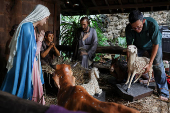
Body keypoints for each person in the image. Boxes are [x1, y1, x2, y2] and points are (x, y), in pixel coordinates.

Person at [0, 4, 50, 105]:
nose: (46, 21)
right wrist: (40, 41)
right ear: (41, 15)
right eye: (46, 18)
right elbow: (32, 52)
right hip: (28, 65)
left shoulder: (32, 28)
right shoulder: (27, 27)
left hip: (31, 63)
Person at [125, 10, 169, 101]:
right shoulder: (129, 28)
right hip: (139, 45)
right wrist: (129, 61)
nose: (137, 30)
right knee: (132, 64)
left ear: (143, 21)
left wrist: (150, 64)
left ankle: (163, 91)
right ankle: (129, 82)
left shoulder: (152, 24)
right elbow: (129, 46)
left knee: (157, 65)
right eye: (134, 28)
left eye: (139, 27)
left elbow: (155, 45)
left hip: (154, 44)